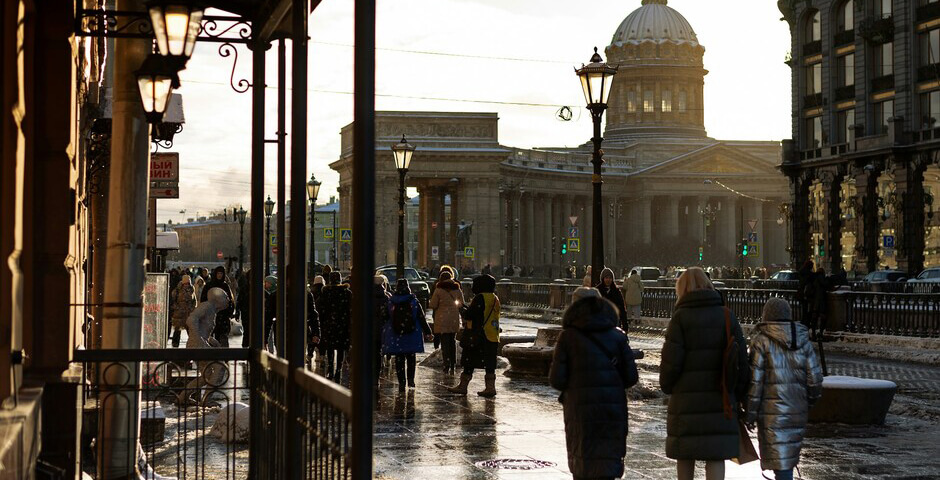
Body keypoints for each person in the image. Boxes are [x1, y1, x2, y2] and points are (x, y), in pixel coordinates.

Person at [659, 267, 749, 480]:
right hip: (721, 400)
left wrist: (668, 385)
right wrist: (738, 392)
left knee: (685, 455)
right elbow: (742, 363)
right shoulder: (727, 316)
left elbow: (670, 364)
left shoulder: (679, 319)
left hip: (686, 402)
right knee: (716, 455)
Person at [550, 287, 638, 480]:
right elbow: (631, 377)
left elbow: (557, 379)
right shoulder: (618, 336)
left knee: (584, 458)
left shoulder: (568, 337)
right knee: (608, 459)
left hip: (579, 409)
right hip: (612, 408)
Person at [746, 298, 823, 480]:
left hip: (770, 413)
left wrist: (749, 414)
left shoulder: (761, 341)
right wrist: (807, 401)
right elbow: (815, 380)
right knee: (787, 460)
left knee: (780, 461)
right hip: (797, 409)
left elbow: (755, 384)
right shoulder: (802, 340)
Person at [446, 274, 500, 397]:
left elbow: (470, 315)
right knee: (489, 363)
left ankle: (463, 386)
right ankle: (490, 387)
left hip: (478, 335)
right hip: (492, 335)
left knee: (469, 360)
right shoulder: (494, 297)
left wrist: (461, 308)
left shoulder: (480, 298)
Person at [177, 287, 229, 405]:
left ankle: (183, 397)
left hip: (198, 343)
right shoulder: (207, 306)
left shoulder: (212, 310)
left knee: (207, 374)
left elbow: (203, 329)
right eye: (225, 297)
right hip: (197, 345)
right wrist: (198, 337)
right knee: (220, 367)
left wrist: (211, 341)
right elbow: (191, 319)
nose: (228, 299)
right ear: (218, 298)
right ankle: (206, 399)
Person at [384, 279, 433, 391]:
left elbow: (386, 317)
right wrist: (428, 332)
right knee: (411, 358)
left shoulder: (392, 301)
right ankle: (411, 380)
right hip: (412, 333)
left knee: (399, 358)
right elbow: (421, 318)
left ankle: (401, 382)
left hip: (396, 334)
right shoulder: (413, 301)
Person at [318, 271, 352, 381]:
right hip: (343, 325)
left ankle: (331, 369)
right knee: (341, 349)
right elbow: (351, 310)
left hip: (329, 325)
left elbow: (320, 309)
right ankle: (338, 370)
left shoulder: (325, 292)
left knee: (330, 348)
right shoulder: (347, 293)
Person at [429, 269, 464, 374]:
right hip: (453, 318)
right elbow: (462, 303)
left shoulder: (438, 289)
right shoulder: (457, 288)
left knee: (444, 342)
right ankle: (453, 364)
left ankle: (446, 364)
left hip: (442, 318)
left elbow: (433, 305)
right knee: (452, 341)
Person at [201, 266, 235, 347]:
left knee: (223, 337)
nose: (219, 275)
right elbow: (203, 300)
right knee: (211, 338)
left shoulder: (225, 286)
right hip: (211, 316)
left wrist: (229, 312)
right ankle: (214, 356)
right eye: (218, 273)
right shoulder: (209, 285)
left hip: (223, 316)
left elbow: (230, 300)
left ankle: (223, 355)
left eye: (221, 273)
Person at [169, 274, 196, 348]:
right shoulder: (177, 290)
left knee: (190, 330)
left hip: (188, 313)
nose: (187, 284)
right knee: (177, 329)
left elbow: (194, 300)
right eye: (185, 283)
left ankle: (192, 344)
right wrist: (178, 307)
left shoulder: (192, 289)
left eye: (188, 283)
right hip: (179, 313)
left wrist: (192, 308)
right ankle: (175, 344)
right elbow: (172, 301)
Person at [262, 275, 277, 352]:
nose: (265, 284)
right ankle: (271, 351)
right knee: (269, 335)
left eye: (267, 282)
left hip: (273, 317)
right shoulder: (265, 292)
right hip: (269, 317)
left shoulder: (275, 294)